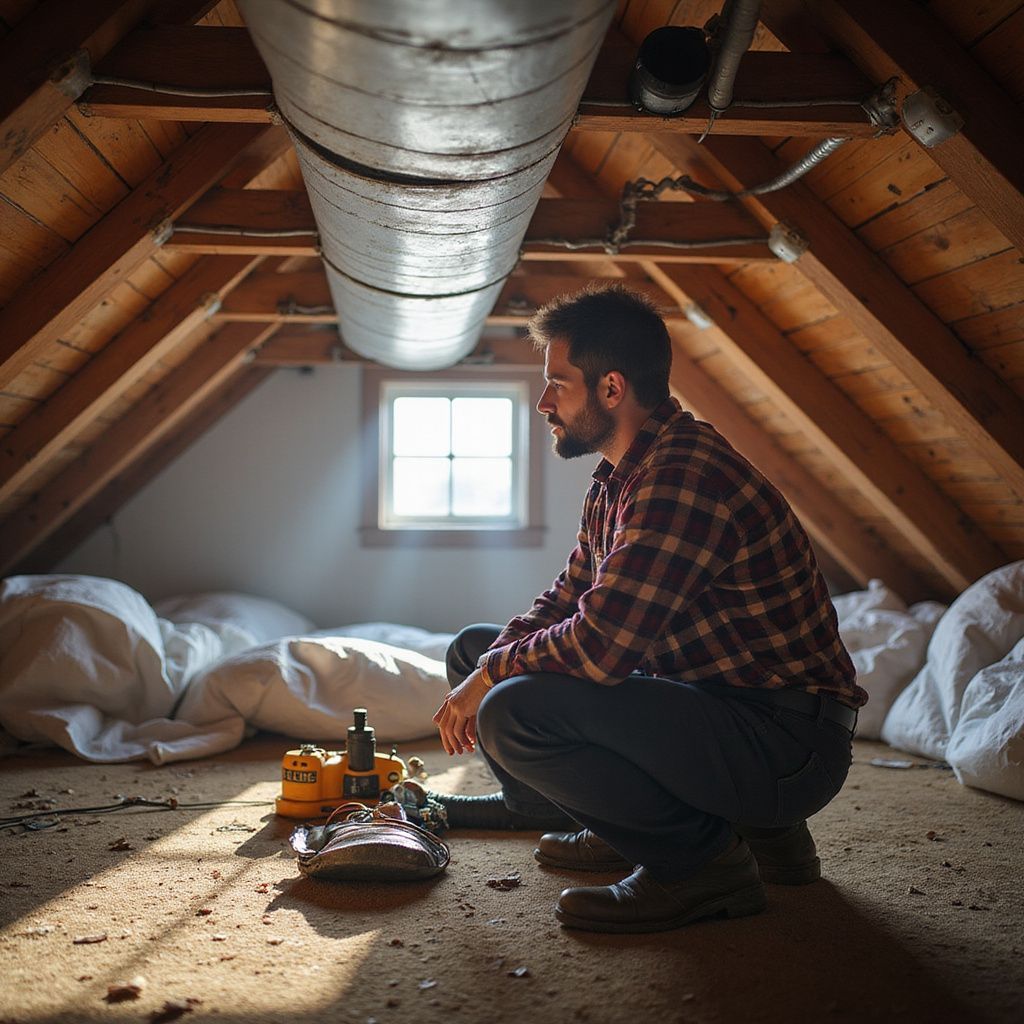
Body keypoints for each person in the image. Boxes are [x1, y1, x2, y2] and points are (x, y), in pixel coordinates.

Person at [432, 283, 866, 934]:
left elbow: (599, 649)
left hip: (786, 747)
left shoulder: (681, 478)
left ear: (611, 388)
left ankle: (703, 865)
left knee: (512, 709)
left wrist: (491, 680)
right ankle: (565, 809)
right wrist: (486, 662)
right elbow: (565, 600)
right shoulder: (621, 478)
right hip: (727, 716)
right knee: (475, 646)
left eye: (558, 384)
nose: (543, 401)